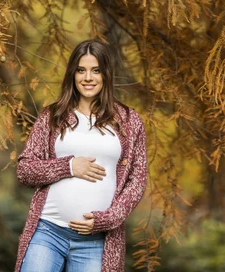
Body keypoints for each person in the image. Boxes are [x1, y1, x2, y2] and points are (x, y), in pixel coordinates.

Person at [15, 40, 148, 272]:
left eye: (96, 70)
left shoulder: (129, 120)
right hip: (48, 232)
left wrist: (108, 219)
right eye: (81, 70)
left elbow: (137, 181)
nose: (88, 77)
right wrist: (69, 166)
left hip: (97, 242)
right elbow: (25, 170)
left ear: (106, 74)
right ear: (72, 74)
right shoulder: (52, 116)